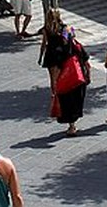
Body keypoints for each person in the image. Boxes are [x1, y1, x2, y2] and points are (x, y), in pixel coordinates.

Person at [39, 8, 89, 136]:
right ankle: (71, 124)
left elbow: (44, 44)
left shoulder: (46, 29)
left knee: (54, 82)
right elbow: (71, 43)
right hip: (65, 60)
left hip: (52, 58)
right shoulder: (66, 28)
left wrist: (40, 56)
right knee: (69, 87)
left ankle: (55, 97)